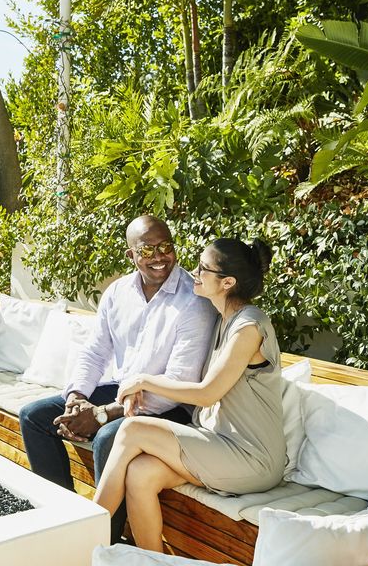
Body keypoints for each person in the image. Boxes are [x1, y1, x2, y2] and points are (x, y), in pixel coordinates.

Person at [18, 215, 218, 542]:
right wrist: (77, 399)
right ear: (131, 255)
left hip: (173, 406)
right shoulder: (117, 292)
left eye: (165, 246)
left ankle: (106, 541)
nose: (158, 257)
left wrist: (101, 414)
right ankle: (63, 521)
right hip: (124, 393)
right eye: (147, 250)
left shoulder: (193, 301)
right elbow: (95, 351)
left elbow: (179, 383)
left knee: (108, 437)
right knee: (35, 417)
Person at [90, 237, 284, 553]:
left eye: (203, 268)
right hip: (219, 444)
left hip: (252, 458)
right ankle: (153, 562)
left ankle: (82, 535)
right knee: (140, 474)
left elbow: (207, 394)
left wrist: (143, 381)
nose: (193, 272)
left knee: (132, 429)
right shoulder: (224, 319)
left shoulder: (249, 326)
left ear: (227, 283)